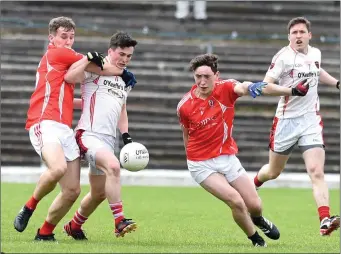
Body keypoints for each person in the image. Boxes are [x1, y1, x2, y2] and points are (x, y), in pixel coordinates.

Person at [13, 17, 129, 242]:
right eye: (63, 36)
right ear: (52, 38)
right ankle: (28, 207)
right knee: (57, 169)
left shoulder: (65, 64)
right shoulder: (56, 53)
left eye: (71, 37)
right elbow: (102, 66)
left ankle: (45, 233)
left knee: (72, 191)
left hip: (64, 129)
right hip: (44, 122)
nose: (67, 41)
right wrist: (121, 73)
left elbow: (70, 94)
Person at [176, 53, 310, 247]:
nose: (203, 81)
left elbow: (244, 86)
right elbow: (185, 133)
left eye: (207, 77)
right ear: (194, 76)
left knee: (254, 205)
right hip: (201, 164)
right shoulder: (185, 106)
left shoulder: (226, 88)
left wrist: (289, 90)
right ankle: (256, 240)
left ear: (217, 75)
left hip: (227, 157)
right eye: (198, 77)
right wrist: (192, 159)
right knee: (236, 201)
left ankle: (258, 219)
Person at [253, 17, 340, 236]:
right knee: (273, 172)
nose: (298, 36)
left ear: (310, 35)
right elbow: (265, 87)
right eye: (294, 33)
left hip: (310, 120)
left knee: (316, 171)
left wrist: (337, 83)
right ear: (289, 36)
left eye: (302, 32)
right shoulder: (282, 57)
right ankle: (253, 183)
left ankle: (324, 219)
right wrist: (292, 91)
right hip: (286, 121)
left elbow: (318, 72)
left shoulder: (316, 53)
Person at [61, 31, 138, 240]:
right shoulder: (97, 67)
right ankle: (119, 221)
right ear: (110, 51)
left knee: (99, 193)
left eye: (129, 56)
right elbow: (70, 77)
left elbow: (122, 109)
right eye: (121, 54)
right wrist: (86, 60)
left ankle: (74, 227)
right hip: (88, 134)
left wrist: (126, 135)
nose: (124, 60)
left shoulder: (125, 79)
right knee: (113, 166)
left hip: (107, 140)